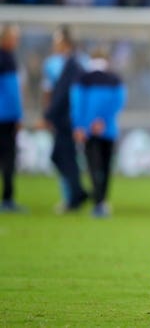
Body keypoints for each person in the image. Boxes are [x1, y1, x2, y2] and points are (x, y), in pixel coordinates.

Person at [70, 49, 127, 217]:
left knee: (93, 166)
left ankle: (98, 200)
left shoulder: (82, 79)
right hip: (108, 129)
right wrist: (103, 120)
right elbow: (118, 103)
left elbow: (77, 104)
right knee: (105, 166)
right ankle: (102, 200)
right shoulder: (115, 79)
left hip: (88, 130)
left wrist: (80, 126)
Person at [44, 25, 89, 212]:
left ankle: (77, 194)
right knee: (64, 157)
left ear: (66, 43)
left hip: (67, 119)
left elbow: (63, 94)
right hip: (65, 118)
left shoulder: (72, 64)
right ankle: (76, 194)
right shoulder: (66, 63)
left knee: (62, 157)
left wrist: (48, 115)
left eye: (57, 41)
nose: (54, 45)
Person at [0, 23, 24, 212]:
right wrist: (18, 116)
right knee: (8, 158)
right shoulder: (7, 59)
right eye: (15, 37)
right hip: (6, 117)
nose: (17, 41)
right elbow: (12, 91)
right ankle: (7, 199)